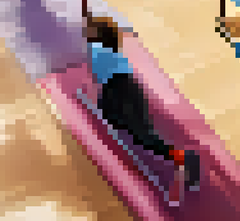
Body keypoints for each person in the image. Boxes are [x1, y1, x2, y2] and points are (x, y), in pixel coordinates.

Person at [86, 15, 201, 205]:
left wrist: (89, 21)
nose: (86, 33)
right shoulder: (109, 49)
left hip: (119, 90)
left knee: (143, 136)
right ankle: (184, 159)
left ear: (98, 34)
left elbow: (91, 40)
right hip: (125, 88)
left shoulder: (98, 49)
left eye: (90, 31)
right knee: (140, 133)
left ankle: (185, 158)